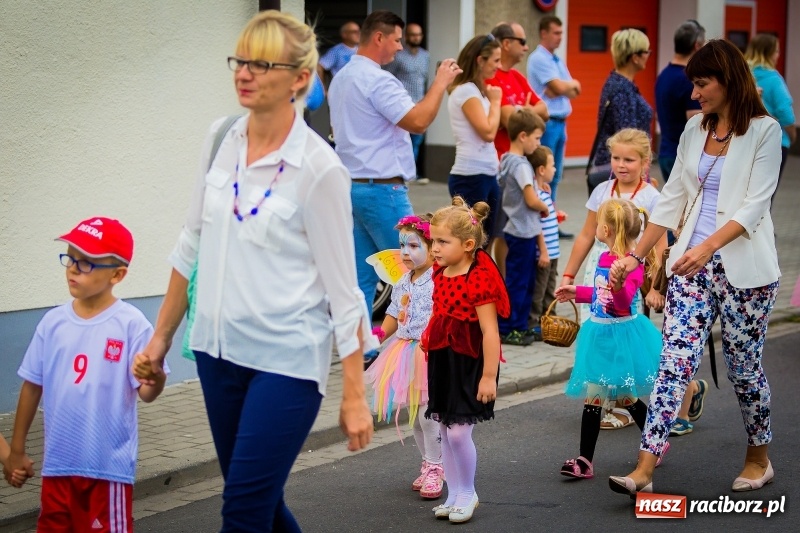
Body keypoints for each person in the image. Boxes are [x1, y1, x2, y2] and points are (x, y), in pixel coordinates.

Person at [134, 11, 378, 531]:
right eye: (240, 60)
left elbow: (344, 293)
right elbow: (190, 243)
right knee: (260, 505)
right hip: (217, 354)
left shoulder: (320, 170)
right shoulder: (221, 137)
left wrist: (354, 393)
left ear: (300, 79)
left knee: (241, 514)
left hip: (285, 363)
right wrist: (159, 340)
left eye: (261, 63)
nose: (244, 72)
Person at [609, 39, 782, 497]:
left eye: (702, 83)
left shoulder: (765, 131)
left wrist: (708, 247)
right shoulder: (692, 131)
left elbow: (754, 206)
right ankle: (644, 468)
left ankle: (758, 458)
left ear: (728, 80)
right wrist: (634, 255)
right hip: (690, 266)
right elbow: (671, 200)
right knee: (673, 364)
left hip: (745, 269)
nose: (695, 94)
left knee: (745, 369)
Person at [5, 217, 167, 531]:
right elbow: (31, 385)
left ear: (117, 275)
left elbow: (147, 393)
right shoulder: (52, 323)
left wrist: (155, 376)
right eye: (70, 257)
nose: (73, 268)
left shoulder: (131, 324)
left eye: (87, 263)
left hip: (106, 472)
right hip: (58, 468)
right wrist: (16, 450)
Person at [328, 10, 461, 332]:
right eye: (397, 40)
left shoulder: (341, 77)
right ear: (379, 38)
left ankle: (361, 345)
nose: (401, 47)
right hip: (382, 190)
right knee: (420, 265)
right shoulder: (377, 79)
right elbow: (417, 121)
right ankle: (418, 341)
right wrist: (441, 82)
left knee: (360, 278)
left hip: (354, 187)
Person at [560, 128, 665, 429]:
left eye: (629, 159)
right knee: (598, 329)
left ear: (645, 162)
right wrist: (569, 272)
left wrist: (656, 286)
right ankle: (606, 401)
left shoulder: (652, 196)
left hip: (633, 271)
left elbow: (660, 245)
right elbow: (584, 235)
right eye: (616, 157)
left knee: (623, 336)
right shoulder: (601, 191)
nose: (621, 164)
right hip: (598, 269)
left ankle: (622, 404)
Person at [555, 198, 663, 479]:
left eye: (597, 223)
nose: (594, 228)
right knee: (619, 398)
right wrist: (576, 292)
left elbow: (624, 301)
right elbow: (598, 292)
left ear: (606, 228)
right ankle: (655, 442)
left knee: (608, 398)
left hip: (622, 337)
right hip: (599, 333)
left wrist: (617, 285)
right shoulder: (604, 258)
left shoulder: (632, 264)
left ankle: (585, 461)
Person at [424, 197, 510, 524]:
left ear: (468, 244)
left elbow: (490, 332)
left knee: (459, 433)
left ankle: (468, 491)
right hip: (443, 358)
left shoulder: (478, 278)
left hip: (471, 362)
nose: (435, 248)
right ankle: (454, 492)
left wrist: (489, 377)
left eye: (443, 242)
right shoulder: (441, 271)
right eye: (433, 240)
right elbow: (440, 313)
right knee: (444, 430)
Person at [364, 214, 443, 500]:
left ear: (433, 246)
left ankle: (437, 466)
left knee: (427, 413)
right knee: (415, 415)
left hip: (429, 353)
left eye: (413, 245)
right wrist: (378, 335)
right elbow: (393, 313)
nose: (405, 253)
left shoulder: (439, 279)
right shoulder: (403, 280)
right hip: (404, 351)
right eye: (402, 246)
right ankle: (428, 462)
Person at [486, 22, 550, 274]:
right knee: (498, 228)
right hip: (502, 164)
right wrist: (523, 112)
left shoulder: (517, 76)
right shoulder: (493, 78)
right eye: (522, 41)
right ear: (506, 43)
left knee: (510, 225)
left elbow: (544, 111)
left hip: (522, 164)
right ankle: (498, 277)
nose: (526, 47)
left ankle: (503, 277)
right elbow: (508, 120)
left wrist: (522, 111)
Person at [497, 109, 547, 345]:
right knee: (519, 281)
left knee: (520, 279)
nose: (538, 144)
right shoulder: (522, 166)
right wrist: (543, 207)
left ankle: (519, 324)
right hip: (523, 229)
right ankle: (509, 327)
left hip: (515, 228)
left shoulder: (506, 160)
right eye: (537, 138)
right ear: (523, 136)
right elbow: (529, 198)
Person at [446, 34, 502, 241]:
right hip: (471, 175)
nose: (499, 65)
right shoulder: (466, 91)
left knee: (484, 241)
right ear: (480, 60)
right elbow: (487, 132)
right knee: (473, 242)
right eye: (495, 60)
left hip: (485, 173)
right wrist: (495, 102)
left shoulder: (476, 91)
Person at [587, 28, 653, 196]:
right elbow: (628, 138)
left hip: (622, 166)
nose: (649, 55)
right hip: (622, 170)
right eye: (647, 51)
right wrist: (641, 178)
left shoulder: (620, 84)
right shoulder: (622, 89)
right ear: (635, 57)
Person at [527, 15, 581, 207]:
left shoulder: (556, 59)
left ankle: (552, 215)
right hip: (547, 124)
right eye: (556, 33)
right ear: (544, 33)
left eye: (561, 33)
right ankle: (544, 214)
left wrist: (565, 86)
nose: (560, 37)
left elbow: (576, 88)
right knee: (544, 172)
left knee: (555, 173)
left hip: (561, 122)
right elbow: (558, 88)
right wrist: (565, 87)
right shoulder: (539, 58)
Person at [745, 32, 796, 206]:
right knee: (765, 196)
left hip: (746, 139)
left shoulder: (743, 74)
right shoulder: (774, 80)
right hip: (775, 142)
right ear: (768, 53)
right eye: (777, 51)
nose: (778, 55)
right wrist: (792, 135)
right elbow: (786, 115)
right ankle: (762, 231)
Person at [656, 20, 705, 183]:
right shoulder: (687, 79)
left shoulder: (664, 75)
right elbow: (696, 119)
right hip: (682, 156)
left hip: (666, 152)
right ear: (697, 46)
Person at [384, 23, 430, 181]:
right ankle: (400, 172)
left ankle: (412, 174)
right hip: (402, 104)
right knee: (402, 139)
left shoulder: (425, 56)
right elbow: (388, 76)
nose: (415, 37)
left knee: (417, 140)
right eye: (412, 34)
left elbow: (424, 79)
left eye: (418, 34)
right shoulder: (398, 56)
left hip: (420, 102)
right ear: (406, 36)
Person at [528, 146, 560, 338]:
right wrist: (544, 250)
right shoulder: (536, 196)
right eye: (552, 165)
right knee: (539, 291)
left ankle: (549, 321)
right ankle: (534, 323)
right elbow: (537, 225)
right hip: (545, 253)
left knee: (550, 289)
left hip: (554, 251)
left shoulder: (544, 193)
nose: (555, 169)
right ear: (541, 170)